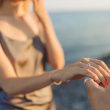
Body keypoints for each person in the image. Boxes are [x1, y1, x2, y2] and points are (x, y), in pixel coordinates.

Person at [0, 0, 110, 110]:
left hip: (47, 103)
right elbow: (9, 85)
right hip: (12, 106)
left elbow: (57, 63)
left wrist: (43, 16)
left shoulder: (35, 18)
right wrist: (55, 75)